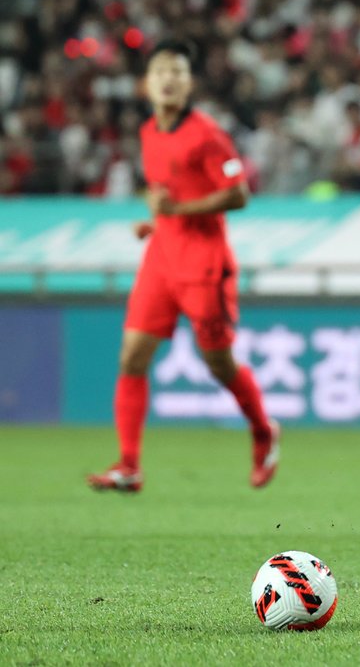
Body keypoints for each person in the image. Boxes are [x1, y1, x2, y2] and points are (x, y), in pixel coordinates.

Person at [88, 40, 278, 493]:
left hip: (203, 264)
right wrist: (156, 223)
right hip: (161, 258)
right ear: (146, 84)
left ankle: (263, 431)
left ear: (189, 83)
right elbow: (169, 196)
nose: (168, 80)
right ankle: (129, 465)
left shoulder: (208, 134)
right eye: (160, 72)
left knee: (218, 363)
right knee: (132, 355)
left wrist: (177, 210)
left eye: (177, 71)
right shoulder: (148, 132)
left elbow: (239, 194)